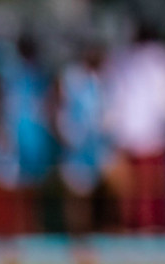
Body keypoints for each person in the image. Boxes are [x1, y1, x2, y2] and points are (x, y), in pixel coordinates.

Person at [104, 24, 165, 231]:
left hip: (153, 133)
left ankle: (152, 226)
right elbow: (115, 96)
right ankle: (132, 226)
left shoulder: (162, 57)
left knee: (152, 187)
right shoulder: (122, 58)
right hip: (130, 133)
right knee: (128, 189)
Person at [0, 33, 54, 264]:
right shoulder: (9, 72)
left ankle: (26, 235)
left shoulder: (39, 73)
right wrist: (1, 131)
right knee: (9, 191)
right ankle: (7, 237)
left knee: (28, 190)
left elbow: (47, 105)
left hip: (32, 138)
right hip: (13, 137)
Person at [56, 43, 120, 264]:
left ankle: (102, 235)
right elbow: (56, 105)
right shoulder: (71, 77)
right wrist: (64, 134)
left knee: (113, 189)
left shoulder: (102, 79)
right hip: (76, 147)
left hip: (99, 146)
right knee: (78, 198)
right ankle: (78, 241)